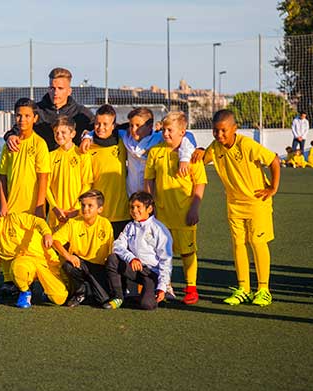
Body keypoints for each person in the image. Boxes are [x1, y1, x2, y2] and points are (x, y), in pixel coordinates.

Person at [192, 109, 280, 307]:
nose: (219, 135)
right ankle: (243, 289)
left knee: (257, 244)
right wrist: (199, 150)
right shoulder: (215, 147)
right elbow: (201, 158)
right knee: (238, 245)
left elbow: (274, 160)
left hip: (257, 203)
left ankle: (264, 290)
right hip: (234, 204)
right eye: (215, 131)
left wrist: (272, 188)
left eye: (223, 131)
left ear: (235, 129)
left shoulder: (246, 145)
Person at [145, 111, 207, 305]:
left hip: (184, 214)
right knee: (162, 252)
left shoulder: (193, 156)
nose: (166, 134)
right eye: (163, 130)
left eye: (170, 130)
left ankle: (191, 288)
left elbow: (200, 183)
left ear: (183, 131)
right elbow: (149, 180)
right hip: (162, 213)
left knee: (188, 252)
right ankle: (166, 286)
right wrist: (149, 205)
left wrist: (194, 208)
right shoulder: (155, 152)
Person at [82, 107, 197, 196]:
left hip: (153, 196)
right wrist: (88, 136)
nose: (133, 129)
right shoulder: (125, 137)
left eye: (138, 125)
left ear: (149, 126)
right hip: (130, 196)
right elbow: (105, 130)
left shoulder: (159, 138)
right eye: (131, 125)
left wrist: (185, 158)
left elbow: (187, 136)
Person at [0, 204, 68, 309]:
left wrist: (46, 233)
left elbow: (37, 221)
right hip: (26, 264)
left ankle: (47, 291)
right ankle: (25, 292)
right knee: (17, 267)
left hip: (47, 261)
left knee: (60, 298)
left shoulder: (14, 219)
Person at [104, 191, 173, 310]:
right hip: (136, 268)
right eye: (132, 207)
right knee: (112, 259)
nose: (134, 210)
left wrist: (162, 286)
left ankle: (160, 292)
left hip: (151, 274)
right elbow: (117, 245)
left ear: (149, 208)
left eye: (138, 207)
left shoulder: (159, 230)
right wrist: (131, 258)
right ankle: (118, 296)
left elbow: (166, 261)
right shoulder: (130, 226)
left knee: (147, 305)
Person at [4, 67, 94, 152]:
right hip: (43, 165)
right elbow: (18, 128)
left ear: (69, 91)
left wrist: (89, 136)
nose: (55, 92)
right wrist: (10, 136)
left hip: (72, 165)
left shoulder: (81, 112)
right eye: (52, 88)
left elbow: (98, 130)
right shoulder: (37, 110)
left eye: (60, 88)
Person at [52, 190, 114, 307]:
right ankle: (80, 292)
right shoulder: (73, 223)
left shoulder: (105, 224)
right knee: (68, 266)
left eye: (90, 206)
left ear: (100, 209)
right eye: (83, 205)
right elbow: (55, 241)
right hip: (80, 263)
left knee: (102, 300)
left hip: (98, 267)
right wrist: (68, 256)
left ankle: (90, 288)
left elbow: (111, 251)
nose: (85, 208)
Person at [0, 98, 50, 218]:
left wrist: (40, 207)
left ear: (35, 118)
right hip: (11, 208)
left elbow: (43, 178)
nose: (22, 120)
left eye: (27, 116)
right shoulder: (9, 145)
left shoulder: (39, 144)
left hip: (32, 209)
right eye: (19, 116)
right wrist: (3, 205)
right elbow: (2, 178)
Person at [87, 104, 129, 237]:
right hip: (98, 212)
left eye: (105, 124)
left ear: (113, 126)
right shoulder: (88, 146)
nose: (101, 128)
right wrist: (87, 136)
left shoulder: (122, 141)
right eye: (97, 123)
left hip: (122, 212)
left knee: (121, 255)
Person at [46, 115, 93, 230]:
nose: (59, 135)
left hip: (77, 213)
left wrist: (77, 208)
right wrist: (54, 208)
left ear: (72, 134)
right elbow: (46, 186)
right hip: (56, 215)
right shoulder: (50, 156)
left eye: (63, 132)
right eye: (56, 132)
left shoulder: (82, 154)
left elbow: (87, 183)